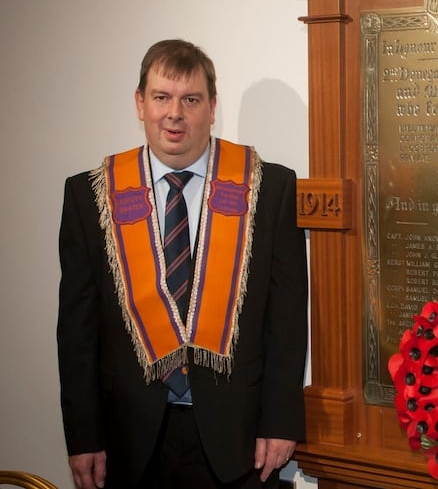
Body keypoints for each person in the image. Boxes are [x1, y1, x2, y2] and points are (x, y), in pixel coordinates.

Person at [57, 39, 309, 489]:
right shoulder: (90, 197)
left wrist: (281, 421)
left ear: (212, 107)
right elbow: (77, 332)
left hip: (240, 436)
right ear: (140, 103)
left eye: (190, 99)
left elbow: (286, 323)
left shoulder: (268, 190)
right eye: (161, 97)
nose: (175, 113)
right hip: (128, 439)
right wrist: (83, 436)